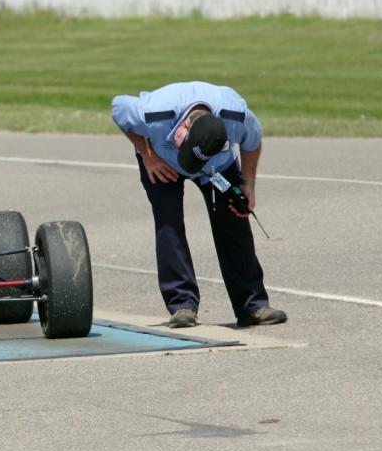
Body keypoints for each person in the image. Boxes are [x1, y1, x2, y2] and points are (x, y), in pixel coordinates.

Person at [111, 81, 287, 328]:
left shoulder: (236, 116)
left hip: (217, 167)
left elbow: (252, 142)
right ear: (183, 125)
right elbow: (118, 109)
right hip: (163, 161)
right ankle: (182, 305)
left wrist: (248, 183)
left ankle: (252, 305)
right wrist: (147, 155)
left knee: (235, 218)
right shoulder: (153, 112)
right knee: (169, 223)